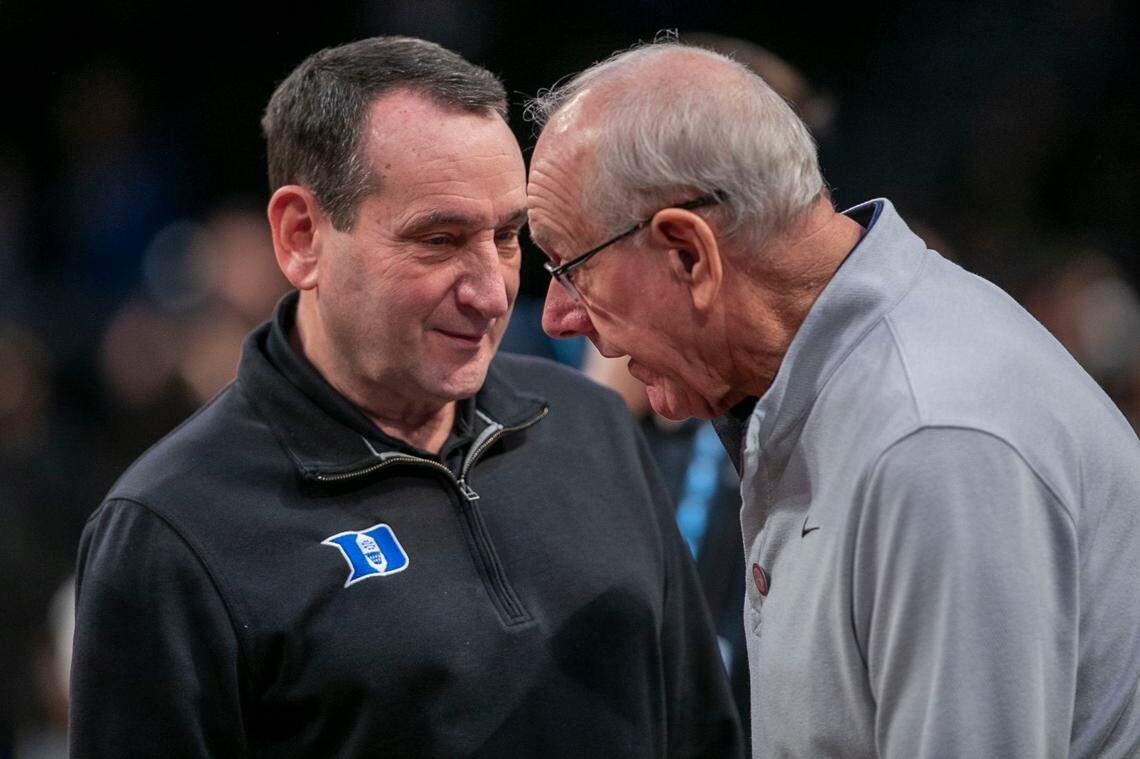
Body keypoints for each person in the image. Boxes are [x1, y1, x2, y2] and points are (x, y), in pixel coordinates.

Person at [70, 37, 743, 758]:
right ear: (301, 237)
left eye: (509, 236)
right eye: (439, 239)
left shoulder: (592, 424)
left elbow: (704, 736)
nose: (491, 292)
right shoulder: (172, 531)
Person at [526, 40, 1140, 758]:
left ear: (689, 254)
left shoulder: (932, 441)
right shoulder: (828, 381)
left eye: (571, 267)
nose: (557, 317)